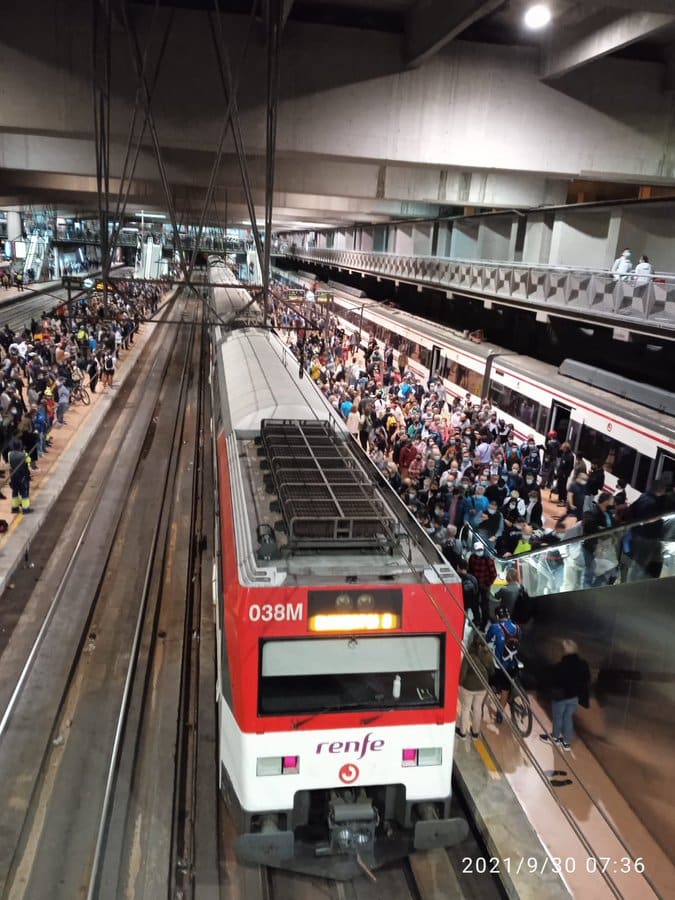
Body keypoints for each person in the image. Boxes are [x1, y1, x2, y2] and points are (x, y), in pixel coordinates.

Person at [540, 639, 591, 751]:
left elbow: (555, 681)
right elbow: (586, 679)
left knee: (558, 717)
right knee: (568, 718)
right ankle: (567, 743)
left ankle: (555, 738)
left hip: (561, 697)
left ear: (564, 651)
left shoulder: (561, 665)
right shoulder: (583, 664)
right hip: (575, 697)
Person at [486, 606, 521, 725]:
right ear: (508, 615)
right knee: (505, 691)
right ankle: (500, 715)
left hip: (499, 666)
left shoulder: (495, 627)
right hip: (513, 664)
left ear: (497, 617)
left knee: (489, 682)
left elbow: (487, 639)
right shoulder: (517, 628)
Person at [457, 635, 495, 740]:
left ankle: (463, 733)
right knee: (477, 709)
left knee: (466, 709)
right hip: (482, 687)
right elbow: (492, 671)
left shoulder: (469, 655)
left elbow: (463, 672)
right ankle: (475, 733)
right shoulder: (488, 655)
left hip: (468, 687)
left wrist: (460, 683)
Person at [468, 541, 497, 630]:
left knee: (485, 606)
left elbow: (494, 574)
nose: (479, 551)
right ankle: (477, 619)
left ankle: (484, 624)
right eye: (477, 550)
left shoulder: (488, 560)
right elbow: (470, 570)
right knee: (474, 603)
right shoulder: (472, 558)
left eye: (480, 550)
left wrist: (487, 584)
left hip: (485, 586)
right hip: (475, 585)